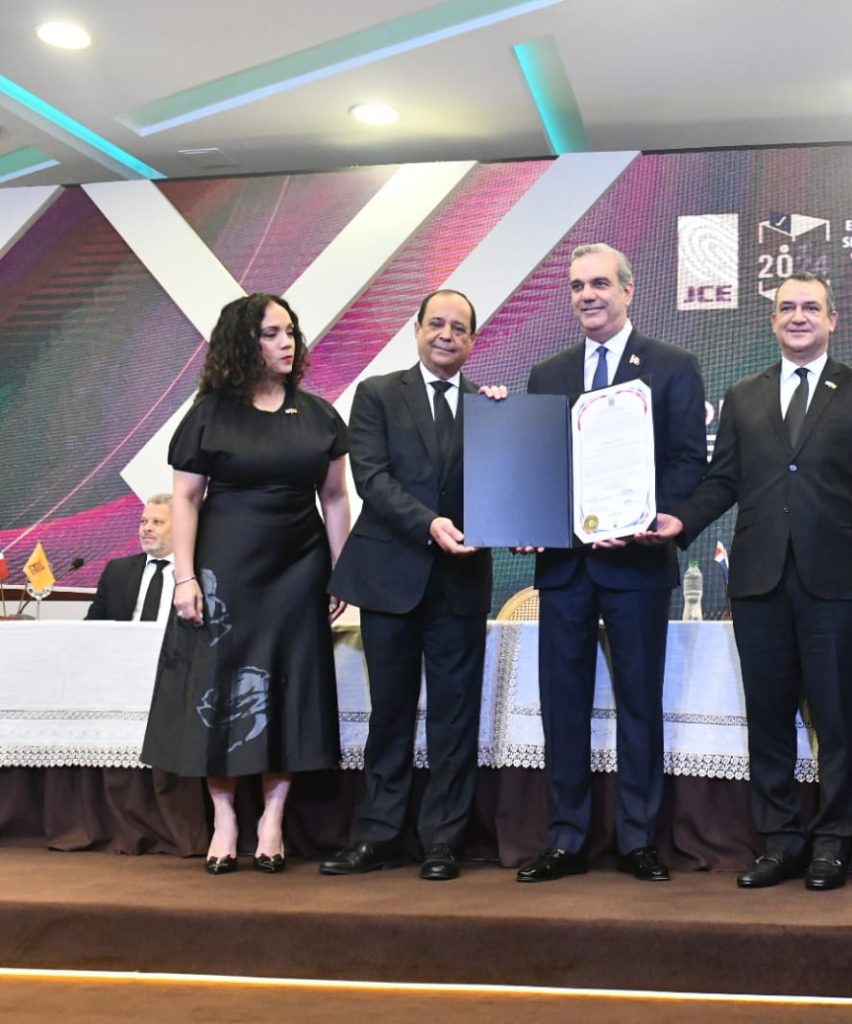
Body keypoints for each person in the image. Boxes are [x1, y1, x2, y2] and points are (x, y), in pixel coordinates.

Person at [640, 271, 852, 891]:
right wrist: (680, 520)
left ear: (834, 320)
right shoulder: (743, 394)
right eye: (786, 307)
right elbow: (723, 479)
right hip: (757, 583)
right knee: (769, 720)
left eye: (811, 307)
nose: (798, 316)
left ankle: (833, 842)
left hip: (838, 582)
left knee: (837, 720)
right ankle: (779, 842)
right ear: (772, 320)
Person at [140, 293, 351, 875]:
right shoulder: (209, 412)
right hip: (224, 573)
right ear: (244, 344)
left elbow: (334, 498)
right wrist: (184, 578)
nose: (288, 342)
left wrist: (342, 569)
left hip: (299, 569)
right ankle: (226, 816)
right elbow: (185, 498)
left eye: (291, 332)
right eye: (273, 333)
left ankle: (273, 821)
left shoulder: (319, 415)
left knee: (288, 687)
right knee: (221, 690)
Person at [516, 243, 707, 884]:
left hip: (637, 566)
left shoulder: (673, 367)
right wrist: (526, 524)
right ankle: (566, 838)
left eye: (600, 284)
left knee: (638, 704)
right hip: (566, 569)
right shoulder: (547, 373)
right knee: (561, 705)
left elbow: (687, 461)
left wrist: (664, 518)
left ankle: (638, 840)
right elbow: (538, 468)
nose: (587, 295)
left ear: (629, 292)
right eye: (576, 286)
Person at [323, 290, 498, 882]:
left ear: (473, 341)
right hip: (391, 578)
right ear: (416, 330)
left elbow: (505, 488)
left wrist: (505, 431)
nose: (447, 335)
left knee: (454, 718)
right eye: (437, 324)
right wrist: (429, 524)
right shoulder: (376, 394)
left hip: (462, 584)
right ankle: (378, 836)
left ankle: (443, 841)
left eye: (459, 328)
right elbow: (370, 477)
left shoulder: (488, 406)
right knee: (389, 714)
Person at [86, 493, 176, 622]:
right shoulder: (117, 571)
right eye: (143, 522)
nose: (147, 528)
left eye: (157, 522)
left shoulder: (198, 572)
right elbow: (92, 624)